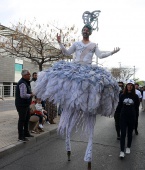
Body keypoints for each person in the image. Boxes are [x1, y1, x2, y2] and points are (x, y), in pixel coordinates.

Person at [34, 10, 120, 169]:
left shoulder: (94, 45)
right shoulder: (77, 43)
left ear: (90, 32)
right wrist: (60, 42)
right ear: (82, 31)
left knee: (95, 95)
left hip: (88, 73)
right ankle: (68, 145)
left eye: (87, 29)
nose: (85, 30)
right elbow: (67, 53)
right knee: (70, 104)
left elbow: (100, 56)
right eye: (84, 29)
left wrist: (112, 52)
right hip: (74, 72)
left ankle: (88, 154)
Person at [118, 79, 139, 158]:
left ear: (133, 87)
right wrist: (117, 115)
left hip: (132, 117)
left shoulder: (135, 96)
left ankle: (128, 147)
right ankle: (122, 151)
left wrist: (136, 118)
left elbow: (136, 108)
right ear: (126, 86)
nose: (129, 86)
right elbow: (119, 106)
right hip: (123, 117)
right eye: (128, 85)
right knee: (123, 134)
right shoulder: (122, 95)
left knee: (129, 133)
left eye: (131, 85)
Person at [15, 69, 34, 142]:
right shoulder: (22, 83)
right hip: (21, 104)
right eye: (29, 74)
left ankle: (26, 133)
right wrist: (31, 94)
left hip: (25, 104)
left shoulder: (25, 82)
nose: (30, 75)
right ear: (24, 75)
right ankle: (20, 136)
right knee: (22, 120)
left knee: (26, 119)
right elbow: (23, 95)